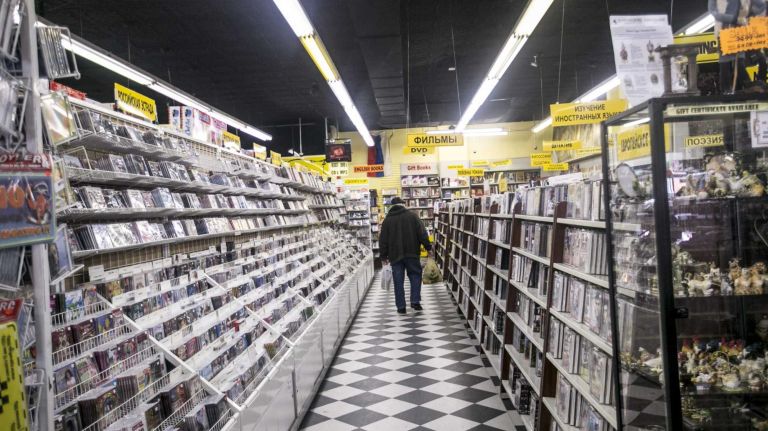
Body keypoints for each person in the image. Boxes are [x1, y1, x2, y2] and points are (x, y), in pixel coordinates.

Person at [379, 197, 432, 314]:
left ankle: (401, 307)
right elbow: (422, 233)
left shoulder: (387, 220)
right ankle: (415, 301)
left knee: (398, 281)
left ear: (392, 206)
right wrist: (428, 247)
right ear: (403, 205)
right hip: (412, 253)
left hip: (395, 255)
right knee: (415, 276)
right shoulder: (413, 216)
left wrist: (383, 256)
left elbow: (383, 240)